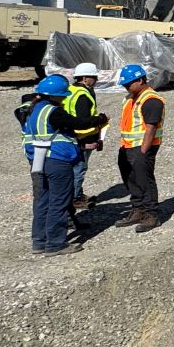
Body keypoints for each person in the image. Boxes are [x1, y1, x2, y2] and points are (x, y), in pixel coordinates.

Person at [22, 74, 105, 256]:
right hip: (57, 159)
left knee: (42, 200)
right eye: (62, 95)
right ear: (55, 95)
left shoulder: (31, 109)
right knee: (59, 201)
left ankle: (39, 241)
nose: (64, 97)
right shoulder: (53, 111)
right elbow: (77, 123)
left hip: (37, 159)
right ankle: (56, 244)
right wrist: (98, 120)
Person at [115, 64, 165, 233]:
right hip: (128, 147)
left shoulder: (151, 100)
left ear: (141, 80)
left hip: (142, 148)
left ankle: (151, 215)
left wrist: (143, 151)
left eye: (128, 84)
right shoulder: (131, 97)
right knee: (131, 179)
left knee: (145, 181)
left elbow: (150, 128)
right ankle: (138, 209)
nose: (126, 87)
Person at [64, 62, 104, 211]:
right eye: (94, 77)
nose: (96, 80)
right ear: (86, 78)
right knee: (79, 168)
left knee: (74, 168)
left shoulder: (70, 90)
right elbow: (84, 120)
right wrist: (100, 119)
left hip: (71, 135)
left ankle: (77, 194)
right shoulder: (83, 95)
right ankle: (75, 198)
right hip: (83, 137)